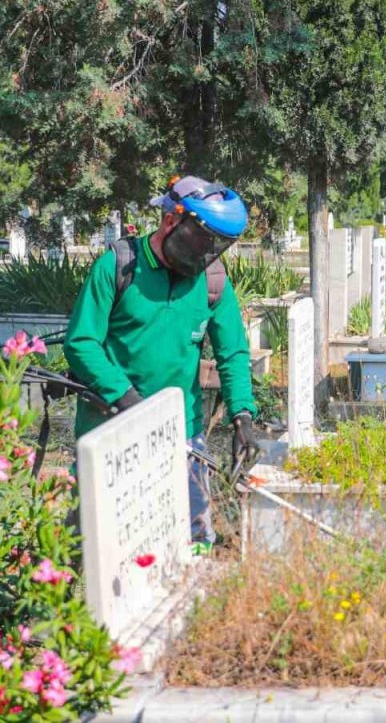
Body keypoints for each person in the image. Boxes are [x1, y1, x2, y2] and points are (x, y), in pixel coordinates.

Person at [64, 176, 259, 554]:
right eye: (201, 242)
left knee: (193, 541)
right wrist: (127, 399)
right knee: (95, 543)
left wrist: (243, 417)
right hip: (110, 427)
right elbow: (82, 342)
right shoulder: (118, 266)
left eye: (216, 246)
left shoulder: (213, 280)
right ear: (171, 221)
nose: (206, 255)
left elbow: (233, 352)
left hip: (181, 433)